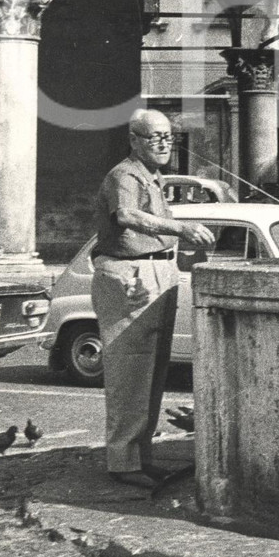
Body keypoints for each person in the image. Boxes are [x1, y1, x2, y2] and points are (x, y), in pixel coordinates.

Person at [91, 108, 214, 490]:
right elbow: (127, 216)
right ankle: (123, 462)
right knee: (130, 372)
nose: (164, 144)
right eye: (154, 137)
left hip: (157, 271)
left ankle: (141, 458)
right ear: (134, 140)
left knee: (152, 372)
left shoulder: (153, 178)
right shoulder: (125, 175)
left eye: (168, 137)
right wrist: (181, 228)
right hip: (131, 276)